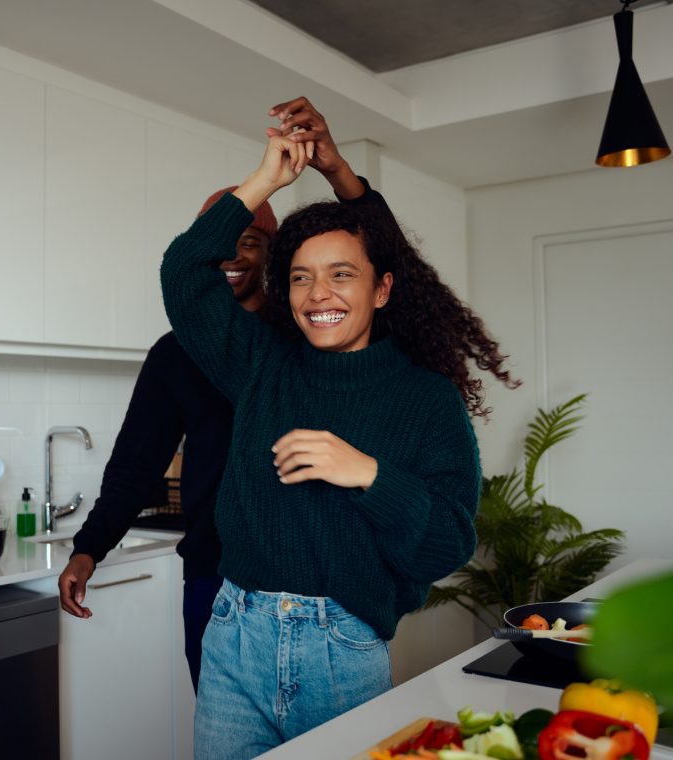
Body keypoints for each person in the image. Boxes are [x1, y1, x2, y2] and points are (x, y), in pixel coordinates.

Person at [159, 96, 520, 757]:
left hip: (340, 649)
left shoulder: (425, 398)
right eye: (300, 278)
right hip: (234, 631)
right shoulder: (262, 364)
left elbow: (447, 543)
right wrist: (266, 180)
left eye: (340, 275)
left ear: (381, 289)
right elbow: (184, 278)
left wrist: (368, 475)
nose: (318, 294)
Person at [56, 184, 278, 692]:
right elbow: (137, 461)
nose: (231, 256)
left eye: (247, 241)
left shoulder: (296, 339)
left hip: (300, 576)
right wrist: (88, 548)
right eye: (217, 242)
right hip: (212, 573)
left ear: (271, 252)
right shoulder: (175, 354)